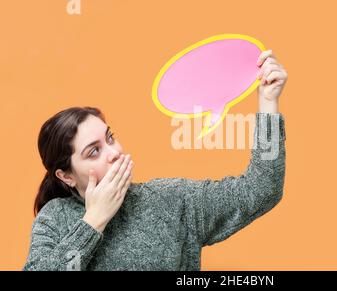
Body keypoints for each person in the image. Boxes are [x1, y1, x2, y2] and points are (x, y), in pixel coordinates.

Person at [23, 50, 288, 270]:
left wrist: (267, 104)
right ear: (66, 175)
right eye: (94, 151)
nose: (113, 152)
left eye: (110, 138)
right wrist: (93, 221)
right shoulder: (55, 219)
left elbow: (261, 189)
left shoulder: (171, 201)